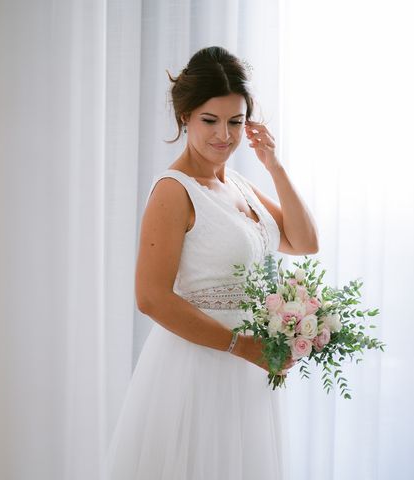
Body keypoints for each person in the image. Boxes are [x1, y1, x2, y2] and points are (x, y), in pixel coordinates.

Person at [104, 46, 319, 479]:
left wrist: (272, 164)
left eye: (235, 122)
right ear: (185, 116)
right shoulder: (174, 190)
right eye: (210, 120)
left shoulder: (237, 183)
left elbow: (304, 241)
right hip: (198, 368)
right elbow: (150, 298)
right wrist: (243, 347)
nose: (224, 135)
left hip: (249, 372)